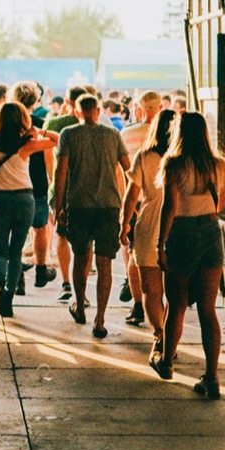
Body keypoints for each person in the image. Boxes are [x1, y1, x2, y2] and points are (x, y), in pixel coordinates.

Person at [151, 112, 225, 399]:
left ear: (179, 132)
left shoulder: (173, 163)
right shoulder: (218, 164)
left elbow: (169, 207)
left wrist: (160, 244)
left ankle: (167, 362)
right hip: (210, 232)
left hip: (182, 233)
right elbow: (220, 203)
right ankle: (212, 376)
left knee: (177, 304)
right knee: (208, 309)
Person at [0, 102, 57, 318]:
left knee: (0, 251)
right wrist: (40, 131)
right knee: (16, 252)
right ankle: (9, 295)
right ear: (22, 119)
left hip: (1, 199)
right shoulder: (26, 144)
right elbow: (57, 140)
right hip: (24, 199)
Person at [53, 95, 131, 337]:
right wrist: (129, 202)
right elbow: (128, 168)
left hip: (79, 205)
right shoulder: (113, 135)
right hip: (109, 206)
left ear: (77, 112)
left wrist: (58, 206)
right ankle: (100, 319)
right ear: (97, 111)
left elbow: (61, 172)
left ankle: (80, 305)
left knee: (81, 257)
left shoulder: (68, 134)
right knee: (104, 263)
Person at [120, 108, 175, 358]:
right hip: (178, 225)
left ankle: (160, 334)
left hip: (149, 223)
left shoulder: (144, 156)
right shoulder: (185, 158)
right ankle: (171, 337)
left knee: (150, 290)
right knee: (174, 292)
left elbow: (131, 195)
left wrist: (124, 224)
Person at [119, 91, 163, 326]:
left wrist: (124, 210)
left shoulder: (127, 133)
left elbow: (121, 171)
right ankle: (160, 302)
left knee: (134, 254)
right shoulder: (170, 136)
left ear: (138, 108)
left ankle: (138, 304)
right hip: (165, 202)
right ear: (160, 107)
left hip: (138, 200)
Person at [13, 81, 57, 292]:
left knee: (15, 229)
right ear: (35, 100)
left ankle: (17, 273)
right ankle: (41, 268)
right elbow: (48, 156)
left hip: (14, 181)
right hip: (37, 181)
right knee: (39, 227)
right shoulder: (40, 124)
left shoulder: (8, 124)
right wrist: (52, 179)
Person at [46, 86, 87, 304]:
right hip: (86, 188)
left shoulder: (54, 124)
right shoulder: (98, 126)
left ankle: (66, 282)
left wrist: (51, 181)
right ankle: (82, 287)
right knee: (85, 242)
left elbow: (47, 156)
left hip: (62, 186)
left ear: (68, 103)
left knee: (61, 235)